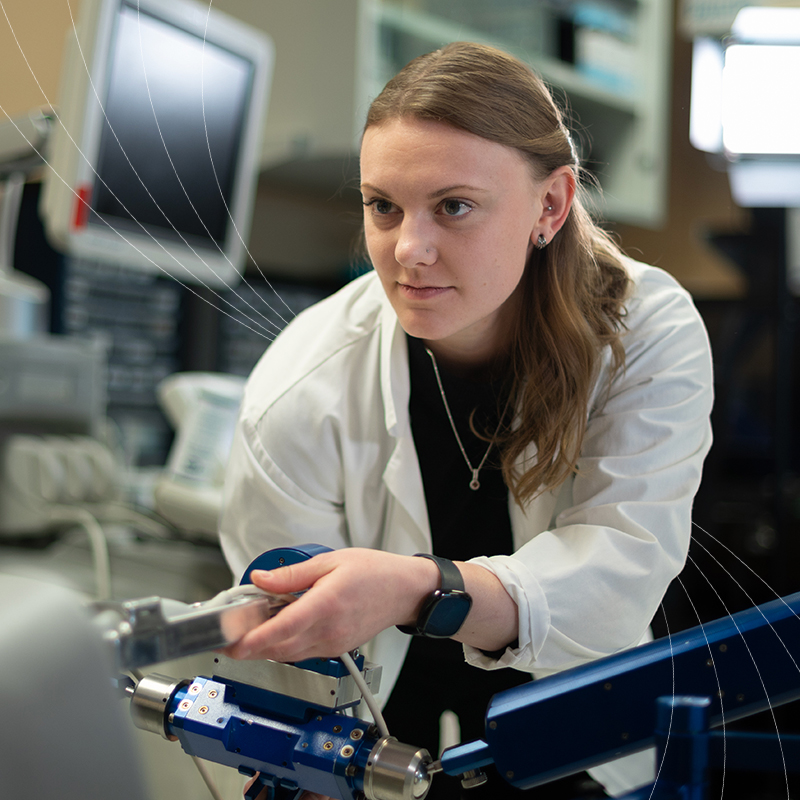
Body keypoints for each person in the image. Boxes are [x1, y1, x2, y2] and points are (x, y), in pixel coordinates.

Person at [219, 41, 714, 799]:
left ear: (550, 206)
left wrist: (420, 591)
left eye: (454, 206)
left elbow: (619, 577)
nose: (407, 250)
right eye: (383, 206)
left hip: (575, 726)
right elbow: (296, 684)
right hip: (380, 743)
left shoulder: (645, 330)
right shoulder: (301, 388)